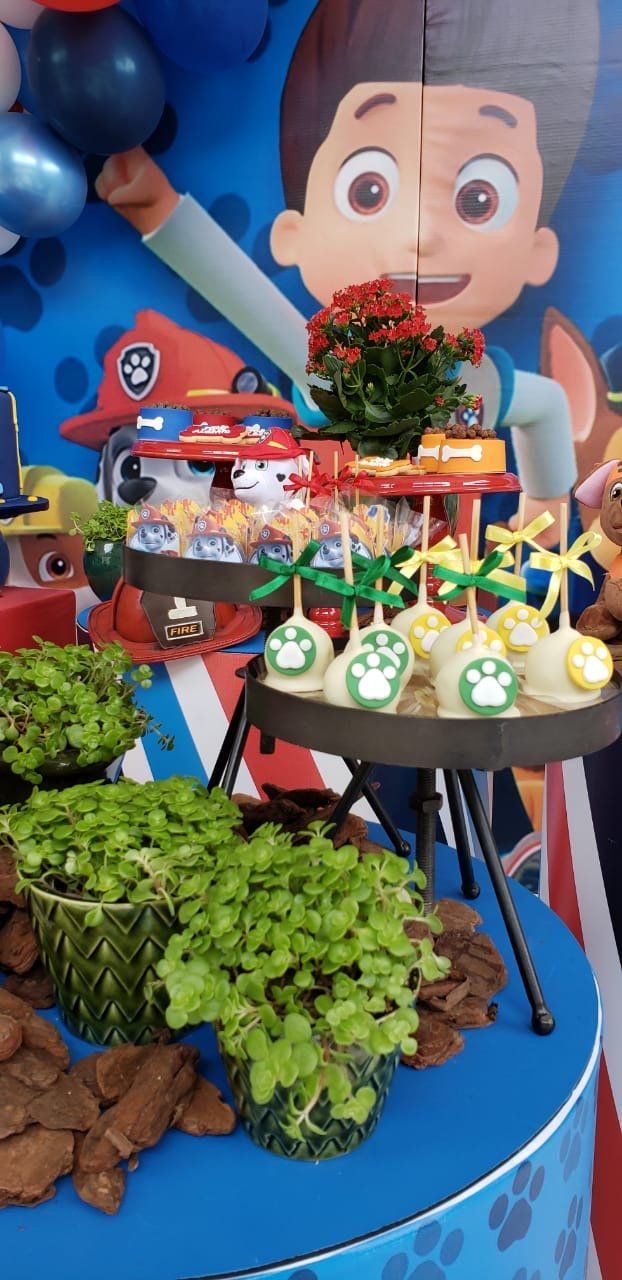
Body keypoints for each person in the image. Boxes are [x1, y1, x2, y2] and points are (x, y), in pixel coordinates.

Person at [95, 0, 599, 544]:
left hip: (444, 565)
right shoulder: (335, 367)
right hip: (339, 560)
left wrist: (544, 513)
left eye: (479, 198)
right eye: (368, 190)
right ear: (294, 232)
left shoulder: (475, 381)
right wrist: (158, 209)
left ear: (538, 249)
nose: (421, 238)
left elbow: (546, 404)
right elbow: (247, 299)